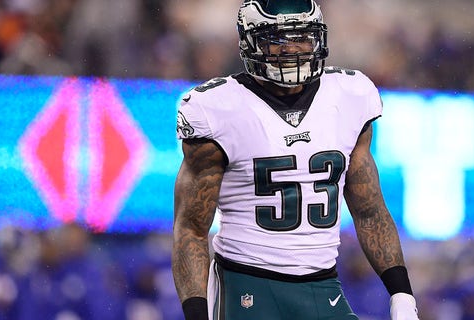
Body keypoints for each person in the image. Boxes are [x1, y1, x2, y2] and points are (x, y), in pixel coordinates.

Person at [172, 0, 420, 319]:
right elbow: (191, 228)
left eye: (301, 37)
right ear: (250, 42)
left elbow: (369, 210)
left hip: (322, 285)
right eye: (278, 40)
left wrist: (401, 294)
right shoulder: (217, 108)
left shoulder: (350, 95)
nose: (293, 49)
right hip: (246, 283)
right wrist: (196, 313)